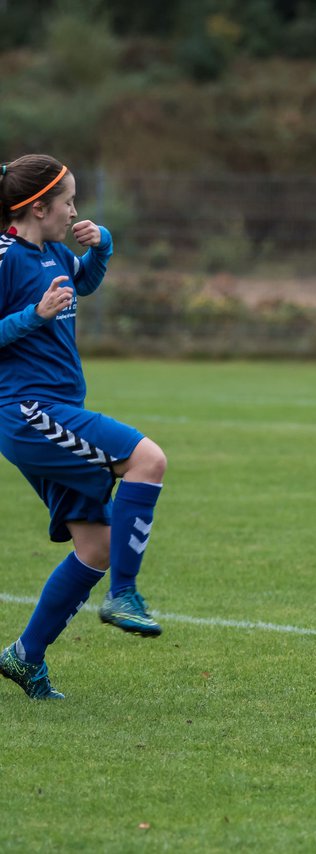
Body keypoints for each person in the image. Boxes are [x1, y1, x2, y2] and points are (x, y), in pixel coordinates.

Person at [0, 154, 168, 700]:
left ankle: (25, 657)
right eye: (69, 201)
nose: (76, 209)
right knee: (148, 459)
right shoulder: (4, 258)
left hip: (53, 409)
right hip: (29, 412)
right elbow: (29, 317)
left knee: (95, 545)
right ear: (38, 207)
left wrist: (101, 248)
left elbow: (83, 284)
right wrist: (35, 316)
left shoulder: (52, 251)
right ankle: (124, 594)